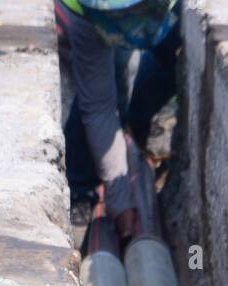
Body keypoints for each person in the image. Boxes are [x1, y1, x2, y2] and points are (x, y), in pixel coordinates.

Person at [54, 0, 180, 239]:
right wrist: (119, 200)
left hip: (162, 10)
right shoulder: (86, 13)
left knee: (171, 58)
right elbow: (99, 106)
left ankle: (139, 130)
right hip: (91, 17)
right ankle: (82, 185)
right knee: (110, 85)